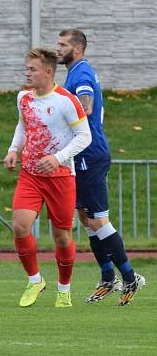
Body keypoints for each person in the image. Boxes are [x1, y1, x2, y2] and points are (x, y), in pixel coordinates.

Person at [56, 29, 145, 305]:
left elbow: (87, 106)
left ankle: (130, 277)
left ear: (78, 49)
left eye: (63, 45)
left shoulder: (81, 74)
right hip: (81, 156)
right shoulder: (74, 72)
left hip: (89, 155)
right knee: (86, 218)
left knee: (97, 220)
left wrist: (59, 115)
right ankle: (108, 276)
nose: (58, 49)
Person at [3, 48, 91, 308]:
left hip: (61, 176)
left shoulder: (66, 100)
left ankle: (64, 289)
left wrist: (58, 158)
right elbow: (23, 125)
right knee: (20, 226)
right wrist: (12, 149)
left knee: (62, 237)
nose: (27, 73)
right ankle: (35, 280)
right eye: (26, 68)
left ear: (48, 72)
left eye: (33, 69)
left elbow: (85, 137)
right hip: (30, 174)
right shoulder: (23, 98)